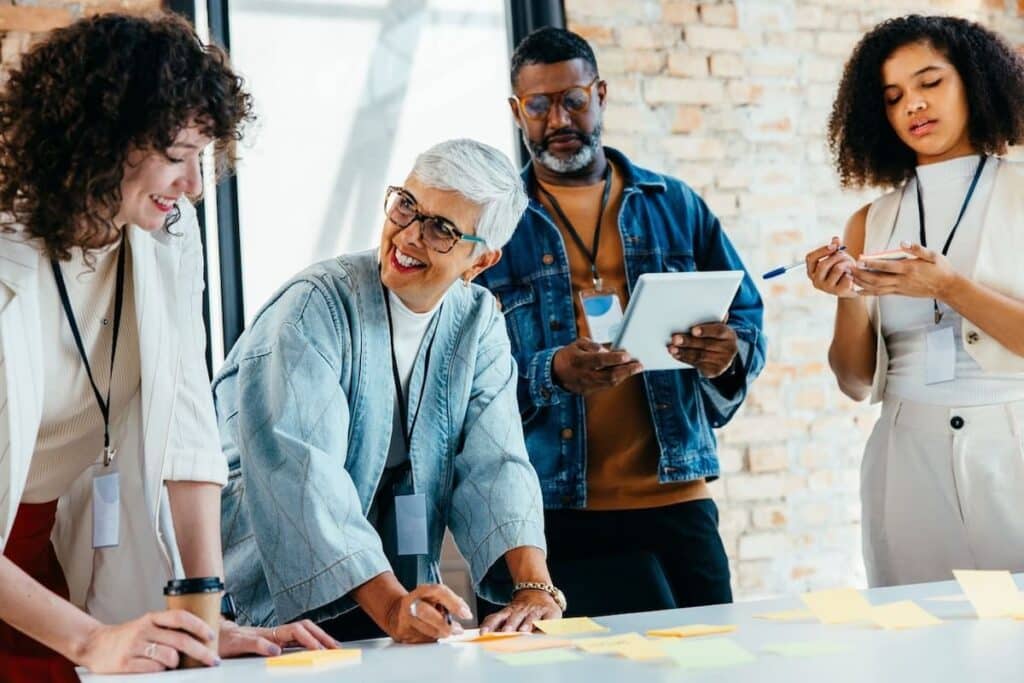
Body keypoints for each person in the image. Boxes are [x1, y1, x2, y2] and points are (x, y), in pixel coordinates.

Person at [0, 14, 334, 679]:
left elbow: (187, 421)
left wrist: (203, 623)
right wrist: (94, 641)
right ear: (102, 143)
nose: (195, 187)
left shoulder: (166, 236)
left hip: (52, 551)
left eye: (201, 160)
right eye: (178, 158)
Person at [215, 138, 563, 644]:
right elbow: (302, 472)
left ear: (481, 262)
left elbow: (498, 459)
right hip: (270, 581)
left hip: (389, 584)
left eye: (442, 229)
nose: (409, 235)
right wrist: (395, 607)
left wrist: (534, 587)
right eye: (407, 206)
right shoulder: (313, 306)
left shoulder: (477, 320)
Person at [475, 27, 766, 616]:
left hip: (678, 500)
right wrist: (549, 370)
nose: (559, 118)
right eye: (538, 105)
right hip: (550, 514)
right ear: (516, 111)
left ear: (600, 94)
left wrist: (728, 352)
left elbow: (747, 317)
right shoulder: (493, 225)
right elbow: (463, 372)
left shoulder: (676, 204)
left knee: (714, 663)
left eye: (573, 100)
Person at [806, 15, 1024, 587]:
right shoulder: (869, 221)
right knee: (917, 639)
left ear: (974, 83)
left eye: (931, 83)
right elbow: (855, 383)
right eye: (893, 95)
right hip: (904, 453)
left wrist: (950, 287)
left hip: (1012, 447)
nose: (913, 106)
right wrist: (847, 297)